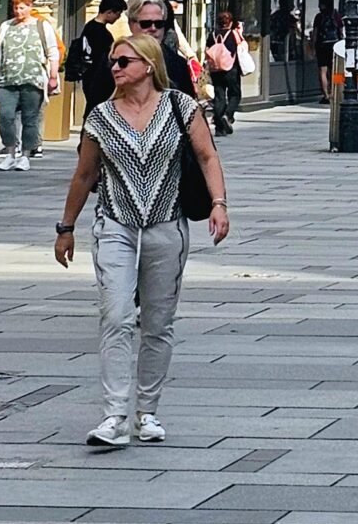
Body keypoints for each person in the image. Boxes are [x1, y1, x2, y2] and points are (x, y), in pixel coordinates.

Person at [52, 32, 229, 450]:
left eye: (123, 61)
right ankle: (114, 414)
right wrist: (66, 227)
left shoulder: (180, 107)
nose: (115, 68)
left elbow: (207, 156)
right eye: (113, 62)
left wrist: (219, 204)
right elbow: (84, 175)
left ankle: (146, 411)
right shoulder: (99, 116)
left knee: (157, 321)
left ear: (147, 67)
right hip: (115, 225)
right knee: (115, 316)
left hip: (167, 225)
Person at [0, 0, 56, 171]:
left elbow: (52, 52)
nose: (18, 11)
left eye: (22, 7)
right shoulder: (5, 27)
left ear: (30, 7)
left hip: (32, 80)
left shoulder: (42, 26)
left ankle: (26, 155)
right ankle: (10, 153)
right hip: (7, 79)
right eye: (15, 7)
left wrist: (53, 76)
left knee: (30, 118)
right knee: (5, 116)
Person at [130, 0, 197, 103]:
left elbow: (189, 106)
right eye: (145, 24)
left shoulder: (178, 64)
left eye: (159, 24)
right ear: (131, 25)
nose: (153, 28)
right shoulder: (115, 60)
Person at [72, 0, 123, 117]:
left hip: (89, 76)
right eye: (118, 13)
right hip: (99, 78)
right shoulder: (102, 34)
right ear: (110, 12)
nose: (119, 17)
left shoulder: (89, 27)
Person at [201, 10, 244, 136]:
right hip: (231, 69)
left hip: (216, 69)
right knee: (235, 94)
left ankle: (219, 128)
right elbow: (241, 48)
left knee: (219, 97)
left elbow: (207, 49)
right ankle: (228, 115)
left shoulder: (213, 34)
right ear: (230, 22)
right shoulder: (233, 34)